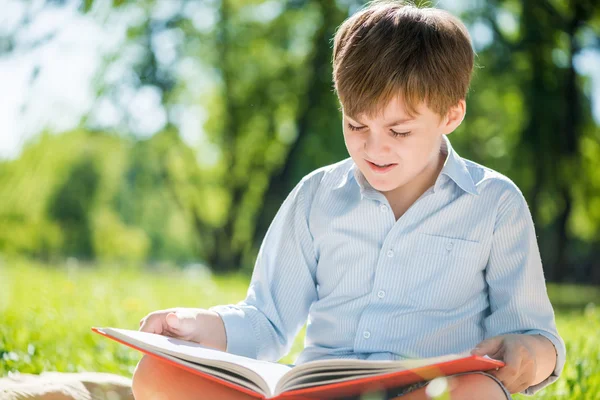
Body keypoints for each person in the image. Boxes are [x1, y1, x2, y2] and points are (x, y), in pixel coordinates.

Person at [131, 1, 565, 399]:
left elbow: (536, 337)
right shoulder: (316, 196)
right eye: (357, 125)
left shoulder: (494, 203)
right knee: (156, 374)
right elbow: (266, 319)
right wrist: (198, 325)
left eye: (398, 131)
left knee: (477, 393)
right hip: (318, 391)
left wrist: (528, 352)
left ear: (451, 115)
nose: (374, 149)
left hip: (425, 392)